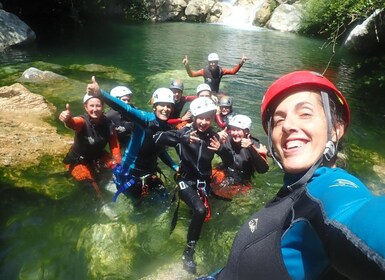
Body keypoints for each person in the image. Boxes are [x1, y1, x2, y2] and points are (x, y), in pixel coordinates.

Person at [200, 71, 385, 279]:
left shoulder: (329, 190)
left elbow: (357, 214)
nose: (287, 126)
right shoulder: (294, 193)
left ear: (335, 129)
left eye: (305, 113)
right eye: (278, 121)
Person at [153, 97, 233, 274]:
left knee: (216, 209)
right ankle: (188, 252)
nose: (204, 122)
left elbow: (231, 161)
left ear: (213, 118)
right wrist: (179, 137)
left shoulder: (213, 136)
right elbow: (157, 138)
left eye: (208, 117)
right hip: (185, 180)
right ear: (194, 116)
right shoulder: (185, 132)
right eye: (200, 117)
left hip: (203, 182)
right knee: (200, 211)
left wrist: (221, 149)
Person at [86, 76, 178, 202]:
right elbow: (125, 108)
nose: (166, 109)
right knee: (138, 205)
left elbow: (160, 150)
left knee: (166, 198)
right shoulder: (144, 118)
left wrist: (175, 167)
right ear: (154, 106)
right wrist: (101, 93)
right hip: (130, 173)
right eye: (162, 105)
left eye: (169, 106)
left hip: (149, 172)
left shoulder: (166, 127)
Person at [59, 93, 121, 200]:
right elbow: (74, 123)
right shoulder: (82, 121)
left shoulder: (108, 123)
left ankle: (119, 191)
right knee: (90, 185)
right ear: (85, 107)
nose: (95, 109)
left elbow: (114, 146)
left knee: (118, 171)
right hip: (78, 161)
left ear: (103, 107)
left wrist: (118, 165)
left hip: (98, 157)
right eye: (91, 106)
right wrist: (68, 120)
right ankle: (102, 204)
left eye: (98, 106)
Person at [211, 114, 269, 200]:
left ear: (246, 131)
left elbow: (263, 170)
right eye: (233, 130)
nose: (234, 133)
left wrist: (250, 148)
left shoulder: (254, 144)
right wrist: (218, 138)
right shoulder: (227, 139)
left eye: (238, 130)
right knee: (211, 191)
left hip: (243, 180)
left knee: (230, 200)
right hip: (225, 171)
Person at [182, 53, 247, 95]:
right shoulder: (204, 71)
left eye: (214, 62)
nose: (213, 64)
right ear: (208, 62)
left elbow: (233, 72)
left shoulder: (221, 71)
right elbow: (192, 74)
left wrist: (240, 63)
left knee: (225, 97)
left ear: (217, 62)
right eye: (211, 62)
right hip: (206, 93)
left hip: (216, 93)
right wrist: (187, 66)